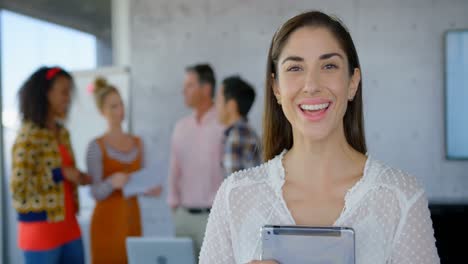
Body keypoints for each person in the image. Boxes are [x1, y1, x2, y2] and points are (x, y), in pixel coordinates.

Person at [200, 11, 440, 264]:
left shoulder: (401, 197)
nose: (311, 84)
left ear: (353, 82)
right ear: (276, 88)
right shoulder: (235, 195)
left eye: (329, 66)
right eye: (295, 68)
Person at [10, 66, 91, 264]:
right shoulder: (28, 136)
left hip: (69, 226)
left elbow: (63, 175)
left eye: (69, 92)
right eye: (63, 92)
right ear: (46, 94)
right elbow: (19, 188)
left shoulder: (63, 133)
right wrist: (59, 173)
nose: (68, 98)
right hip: (41, 231)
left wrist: (78, 177)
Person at [86, 77, 162, 264]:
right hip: (107, 223)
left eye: (120, 104)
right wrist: (112, 182)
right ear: (102, 111)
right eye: (113, 106)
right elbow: (95, 191)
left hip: (132, 222)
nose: (119, 110)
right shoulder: (96, 147)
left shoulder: (138, 143)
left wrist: (149, 190)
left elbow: (139, 182)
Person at [167, 64, 225, 257]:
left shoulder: (224, 125)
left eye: (189, 85)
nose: (183, 90)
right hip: (183, 218)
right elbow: (175, 169)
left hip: (214, 219)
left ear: (206, 89)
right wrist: (174, 206)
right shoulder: (180, 127)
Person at [215, 76, 261, 178]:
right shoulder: (244, 132)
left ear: (231, 105)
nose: (215, 106)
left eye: (218, 100)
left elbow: (234, 187)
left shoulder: (237, 136)